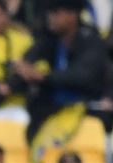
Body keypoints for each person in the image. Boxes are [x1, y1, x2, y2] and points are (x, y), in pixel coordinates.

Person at [9, 0, 107, 144]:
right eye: (50, 13)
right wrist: (20, 69)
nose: (51, 17)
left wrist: (43, 76)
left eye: (56, 13)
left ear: (72, 15)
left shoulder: (91, 40)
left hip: (86, 110)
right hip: (49, 110)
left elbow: (84, 76)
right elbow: (26, 64)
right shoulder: (49, 40)